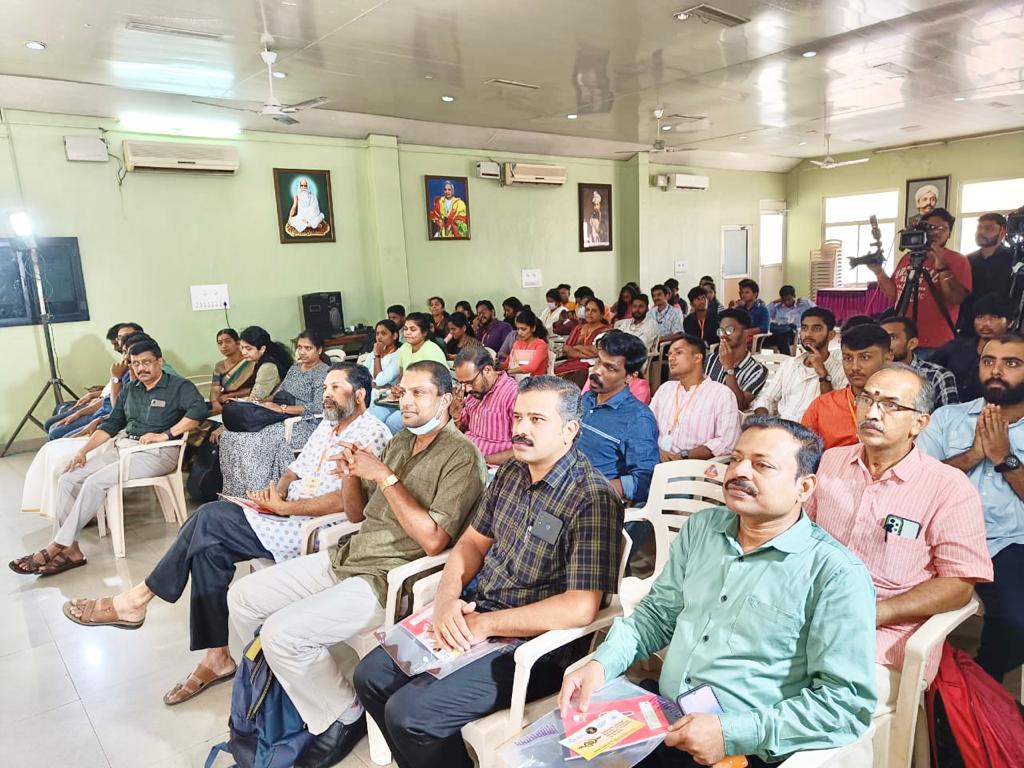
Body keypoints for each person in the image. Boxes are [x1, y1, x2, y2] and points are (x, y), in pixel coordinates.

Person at [57, 364, 392, 704]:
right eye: (325, 387)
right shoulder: (328, 425)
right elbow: (295, 470)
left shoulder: (371, 433)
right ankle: (216, 657)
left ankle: (136, 600)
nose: (326, 393)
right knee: (208, 550)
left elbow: (352, 504)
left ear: (360, 394)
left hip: (316, 530)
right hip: (285, 513)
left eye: (336, 387)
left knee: (209, 519)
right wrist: (275, 493)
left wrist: (285, 508)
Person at [560, 417, 877, 767]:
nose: (739, 471)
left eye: (762, 465)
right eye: (735, 459)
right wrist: (602, 664)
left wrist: (730, 732)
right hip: (666, 718)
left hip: (746, 746)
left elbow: (844, 705)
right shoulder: (702, 529)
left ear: (804, 487)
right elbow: (656, 616)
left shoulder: (835, 574)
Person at [355, 376, 625, 768]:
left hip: (536, 646)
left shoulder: (592, 498)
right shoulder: (514, 474)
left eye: (536, 419)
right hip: (477, 612)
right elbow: (471, 544)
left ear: (570, 431)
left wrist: (486, 625)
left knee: (410, 715)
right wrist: (446, 601)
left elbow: (580, 608)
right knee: (371, 676)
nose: (519, 429)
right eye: (517, 417)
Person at [225, 361, 486, 764]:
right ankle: (281, 688)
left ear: (446, 399)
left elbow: (435, 540)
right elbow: (356, 515)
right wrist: (349, 473)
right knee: (242, 596)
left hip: (388, 578)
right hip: (350, 554)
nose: (408, 401)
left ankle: (343, 713)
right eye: (403, 392)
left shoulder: (462, 456)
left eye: (420, 393)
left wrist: (385, 477)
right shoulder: (400, 442)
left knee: (282, 633)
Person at [808, 364, 991, 698]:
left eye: (891, 405)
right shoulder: (832, 461)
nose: (873, 412)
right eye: (867, 400)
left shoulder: (948, 488)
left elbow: (959, 585)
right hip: (809, 615)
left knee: (815, 706)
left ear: (919, 423)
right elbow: (799, 537)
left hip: (882, 640)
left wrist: (876, 614)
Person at [10, 339, 208, 576]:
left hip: (158, 453)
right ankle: (72, 549)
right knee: (68, 478)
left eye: (146, 362)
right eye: (135, 364)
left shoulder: (179, 387)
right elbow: (113, 423)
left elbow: (198, 413)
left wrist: (165, 434)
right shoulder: (130, 390)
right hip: (124, 447)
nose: (141, 368)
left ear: (160, 361)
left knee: (95, 482)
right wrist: (82, 452)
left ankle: (57, 545)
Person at [917, 335, 1024, 685]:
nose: (996, 370)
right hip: (935, 538)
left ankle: (978, 689)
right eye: (989, 360)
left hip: (1006, 542)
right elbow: (913, 481)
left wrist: (1003, 457)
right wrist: (972, 455)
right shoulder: (948, 417)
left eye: (1012, 363)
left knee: (1016, 621)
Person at [218, 330, 330, 496]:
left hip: (305, 422)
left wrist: (283, 409)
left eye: (308, 348)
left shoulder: (324, 372)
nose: (302, 352)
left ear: (319, 350)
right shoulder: (295, 368)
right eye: (299, 347)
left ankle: (263, 492)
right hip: (281, 416)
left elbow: (318, 407)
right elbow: (280, 392)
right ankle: (239, 493)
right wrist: (262, 403)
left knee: (253, 441)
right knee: (231, 437)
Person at [868, 207, 971, 352]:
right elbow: (895, 294)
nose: (935, 232)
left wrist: (942, 267)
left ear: (949, 233)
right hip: (903, 340)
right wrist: (878, 271)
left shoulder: (957, 260)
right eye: (930, 227)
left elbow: (955, 299)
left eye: (942, 228)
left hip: (936, 342)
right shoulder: (907, 258)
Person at [577, 330, 660, 503]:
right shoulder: (586, 400)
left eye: (610, 368)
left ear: (630, 377)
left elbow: (644, 482)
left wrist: (590, 488)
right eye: (599, 361)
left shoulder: (638, 419)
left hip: (594, 501)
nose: (598, 370)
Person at [801, 323, 891, 449]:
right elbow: (804, 454)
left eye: (864, 357)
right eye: (848, 358)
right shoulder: (822, 405)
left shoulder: (903, 406)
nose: (854, 367)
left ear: (888, 358)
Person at [650, 335, 740, 461]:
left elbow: (726, 442)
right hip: (654, 460)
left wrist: (682, 456)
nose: (671, 358)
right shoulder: (665, 389)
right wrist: (657, 452)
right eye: (669, 354)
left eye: (679, 352)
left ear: (697, 358)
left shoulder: (721, 394)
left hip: (693, 468)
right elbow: (646, 425)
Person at [753, 307, 847, 421]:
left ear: (831, 334)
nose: (808, 334)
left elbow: (831, 411)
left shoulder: (841, 370)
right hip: (780, 430)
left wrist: (823, 373)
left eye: (816, 329)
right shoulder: (790, 364)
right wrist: (764, 423)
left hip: (812, 435)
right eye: (804, 328)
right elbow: (767, 398)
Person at [370, 312, 447, 433]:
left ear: (424, 332)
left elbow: (440, 385)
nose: (407, 332)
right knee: (373, 415)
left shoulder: (432, 350)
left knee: (393, 422)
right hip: (404, 397)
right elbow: (402, 378)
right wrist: (398, 388)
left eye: (413, 329)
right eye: (405, 329)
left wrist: (412, 391)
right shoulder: (404, 349)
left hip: (425, 399)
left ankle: (399, 450)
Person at [930, 293, 1012, 403]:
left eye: (994, 318)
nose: (986, 324)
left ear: (1010, 322)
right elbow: (928, 369)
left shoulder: (1014, 356)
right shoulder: (955, 347)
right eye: (980, 317)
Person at [450, 347, 518, 465]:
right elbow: (463, 429)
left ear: (487, 370)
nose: (467, 389)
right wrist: (456, 415)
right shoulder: (475, 394)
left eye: (470, 382)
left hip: (491, 467)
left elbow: (523, 448)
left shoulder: (512, 394)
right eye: (462, 383)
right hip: (465, 457)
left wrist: (482, 461)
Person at [880, 315, 958, 409]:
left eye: (892, 338)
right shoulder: (873, 372)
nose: (886, 344)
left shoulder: (937, 375)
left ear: (912, 344)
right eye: (882, 339)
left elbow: (949, 418)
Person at [704, 308, 768, 411]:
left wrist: (729, 368)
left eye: (730, 330)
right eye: (721, 331)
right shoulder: (711, 359)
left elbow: (739, 404)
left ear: (746, 332)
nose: (724, 335)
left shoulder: (758, 370)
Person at [960, 213, 1012, 336]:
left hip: (1002, 324)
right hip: (970, 323)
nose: (982, 232)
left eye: (988, 228)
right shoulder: (968, 260)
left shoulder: (1013, 258)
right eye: (979, 228)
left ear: (1002, 232)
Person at [554, 297, 609, 387]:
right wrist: (586, 352)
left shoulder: (606, 331)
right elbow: (566, 348)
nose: (589, 313)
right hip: (572, 363)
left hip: (590, 367)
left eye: (594, 311)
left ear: (602, 314)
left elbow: (597, 351)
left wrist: (577, 348)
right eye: (587, 310)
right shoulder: (579, 328)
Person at [208, 328, 255, 415]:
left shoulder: (251, 361)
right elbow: (215, 388)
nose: (224, 346)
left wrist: (231, 395)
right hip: (226, 402)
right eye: (220, 343)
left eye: (228, 341)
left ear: (238, 343)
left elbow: (256, 388)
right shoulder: (219, 366)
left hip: (247, 401)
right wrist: (215, 403)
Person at [361, 319, 401, 407]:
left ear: (394, 336)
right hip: (370, 391)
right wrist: (372, 384)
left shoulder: (398, 355)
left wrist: (377, 356)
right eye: (377, 334)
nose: (379, 337)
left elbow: (379, 381)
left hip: (386, 398)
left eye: (384, 333)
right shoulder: (374, 351)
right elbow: (361, 372)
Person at [767, 285, 814, 355]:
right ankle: (786, 358)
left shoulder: (801, 305)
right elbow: (765, 314)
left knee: (783, 336)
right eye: (783, 300)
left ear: (794, 296)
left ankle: (786, 358)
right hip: (779, 332)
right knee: (772, 332)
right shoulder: (778, 307)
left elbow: (817, 311)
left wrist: (805, 301)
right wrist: (773, 302)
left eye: (789, 299)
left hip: (794, 333)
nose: (786, 302)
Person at [505, 308, 550, 377]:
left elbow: (531, 367)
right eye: (517, 329)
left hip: (537, 383)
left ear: (533, 328)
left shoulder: (541, 345)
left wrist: (508, 372)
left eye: (523, 329)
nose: (519, 333)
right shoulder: (517, 344)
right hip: (518, 381)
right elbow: (507, 363)